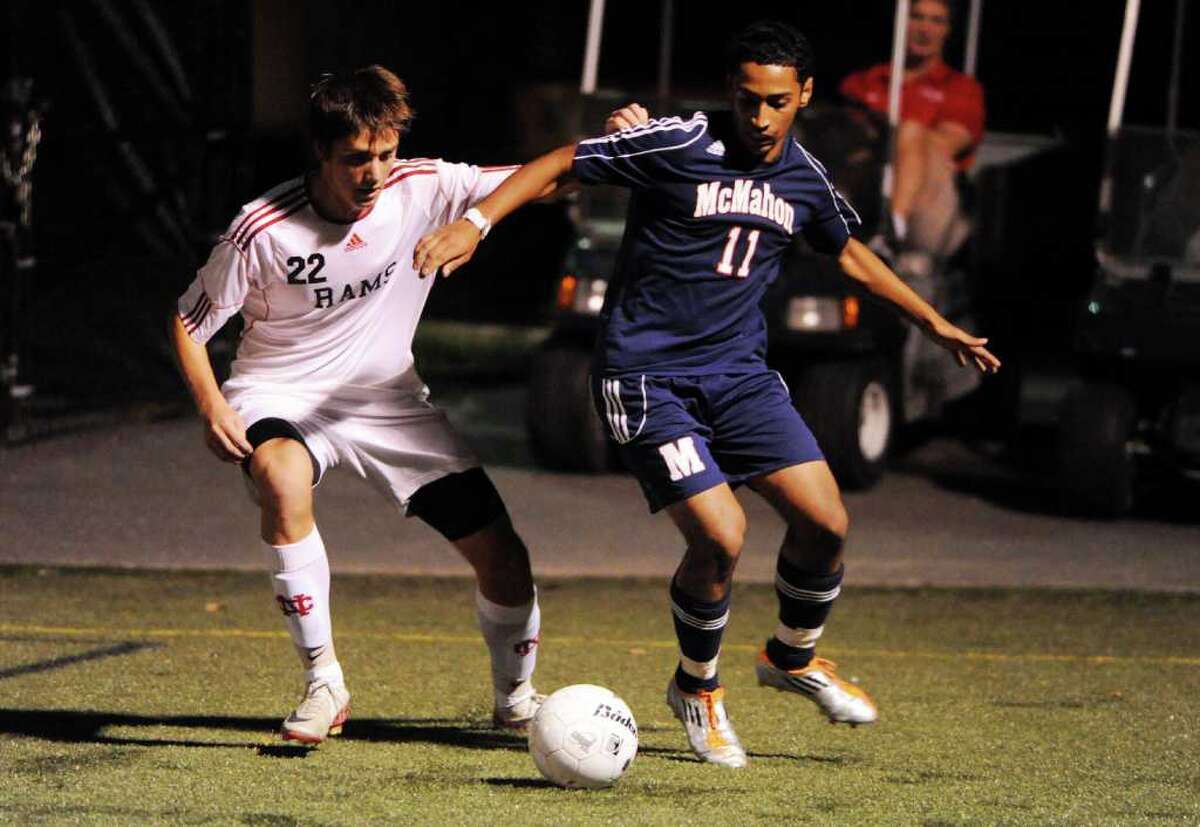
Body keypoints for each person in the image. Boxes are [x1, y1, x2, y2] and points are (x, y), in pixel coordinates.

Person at [415, 22, 1000, 768]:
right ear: (731, 91)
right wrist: (476, 223)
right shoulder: (680, 143)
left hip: (740, 376)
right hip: (646, 377)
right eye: (749, 99)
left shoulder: (804, 177)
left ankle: (791, 656)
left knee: (826, 522)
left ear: (804, 97)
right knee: (721, 535)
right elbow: (564, 159)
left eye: (777, 102)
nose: (760, 118)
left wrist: (935, 320)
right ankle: (696, 686)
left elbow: (850, 253)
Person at [168, 65, 546, 744]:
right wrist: (210, 404)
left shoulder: (422, 185)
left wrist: (607, 147)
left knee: (505, 557)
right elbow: (188, 324)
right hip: (280, 391)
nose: (374, 173)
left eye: (385, 154)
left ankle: (515, 700)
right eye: (355, 159)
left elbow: (546, 177)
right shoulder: (263, 230)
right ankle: (323, 681)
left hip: (386, 399)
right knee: (282, 475)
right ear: (320, 151)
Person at [840, 0, 984, 256]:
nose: (925, 28)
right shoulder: (866, 82)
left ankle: (891, 231)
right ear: (902, 22)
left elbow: (948, 143)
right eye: (917, 17)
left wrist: (900, 136)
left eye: (936, 20)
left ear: (948, 30)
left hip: (929, 208)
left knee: (911, 132)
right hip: (864, 189)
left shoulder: (962, 89)